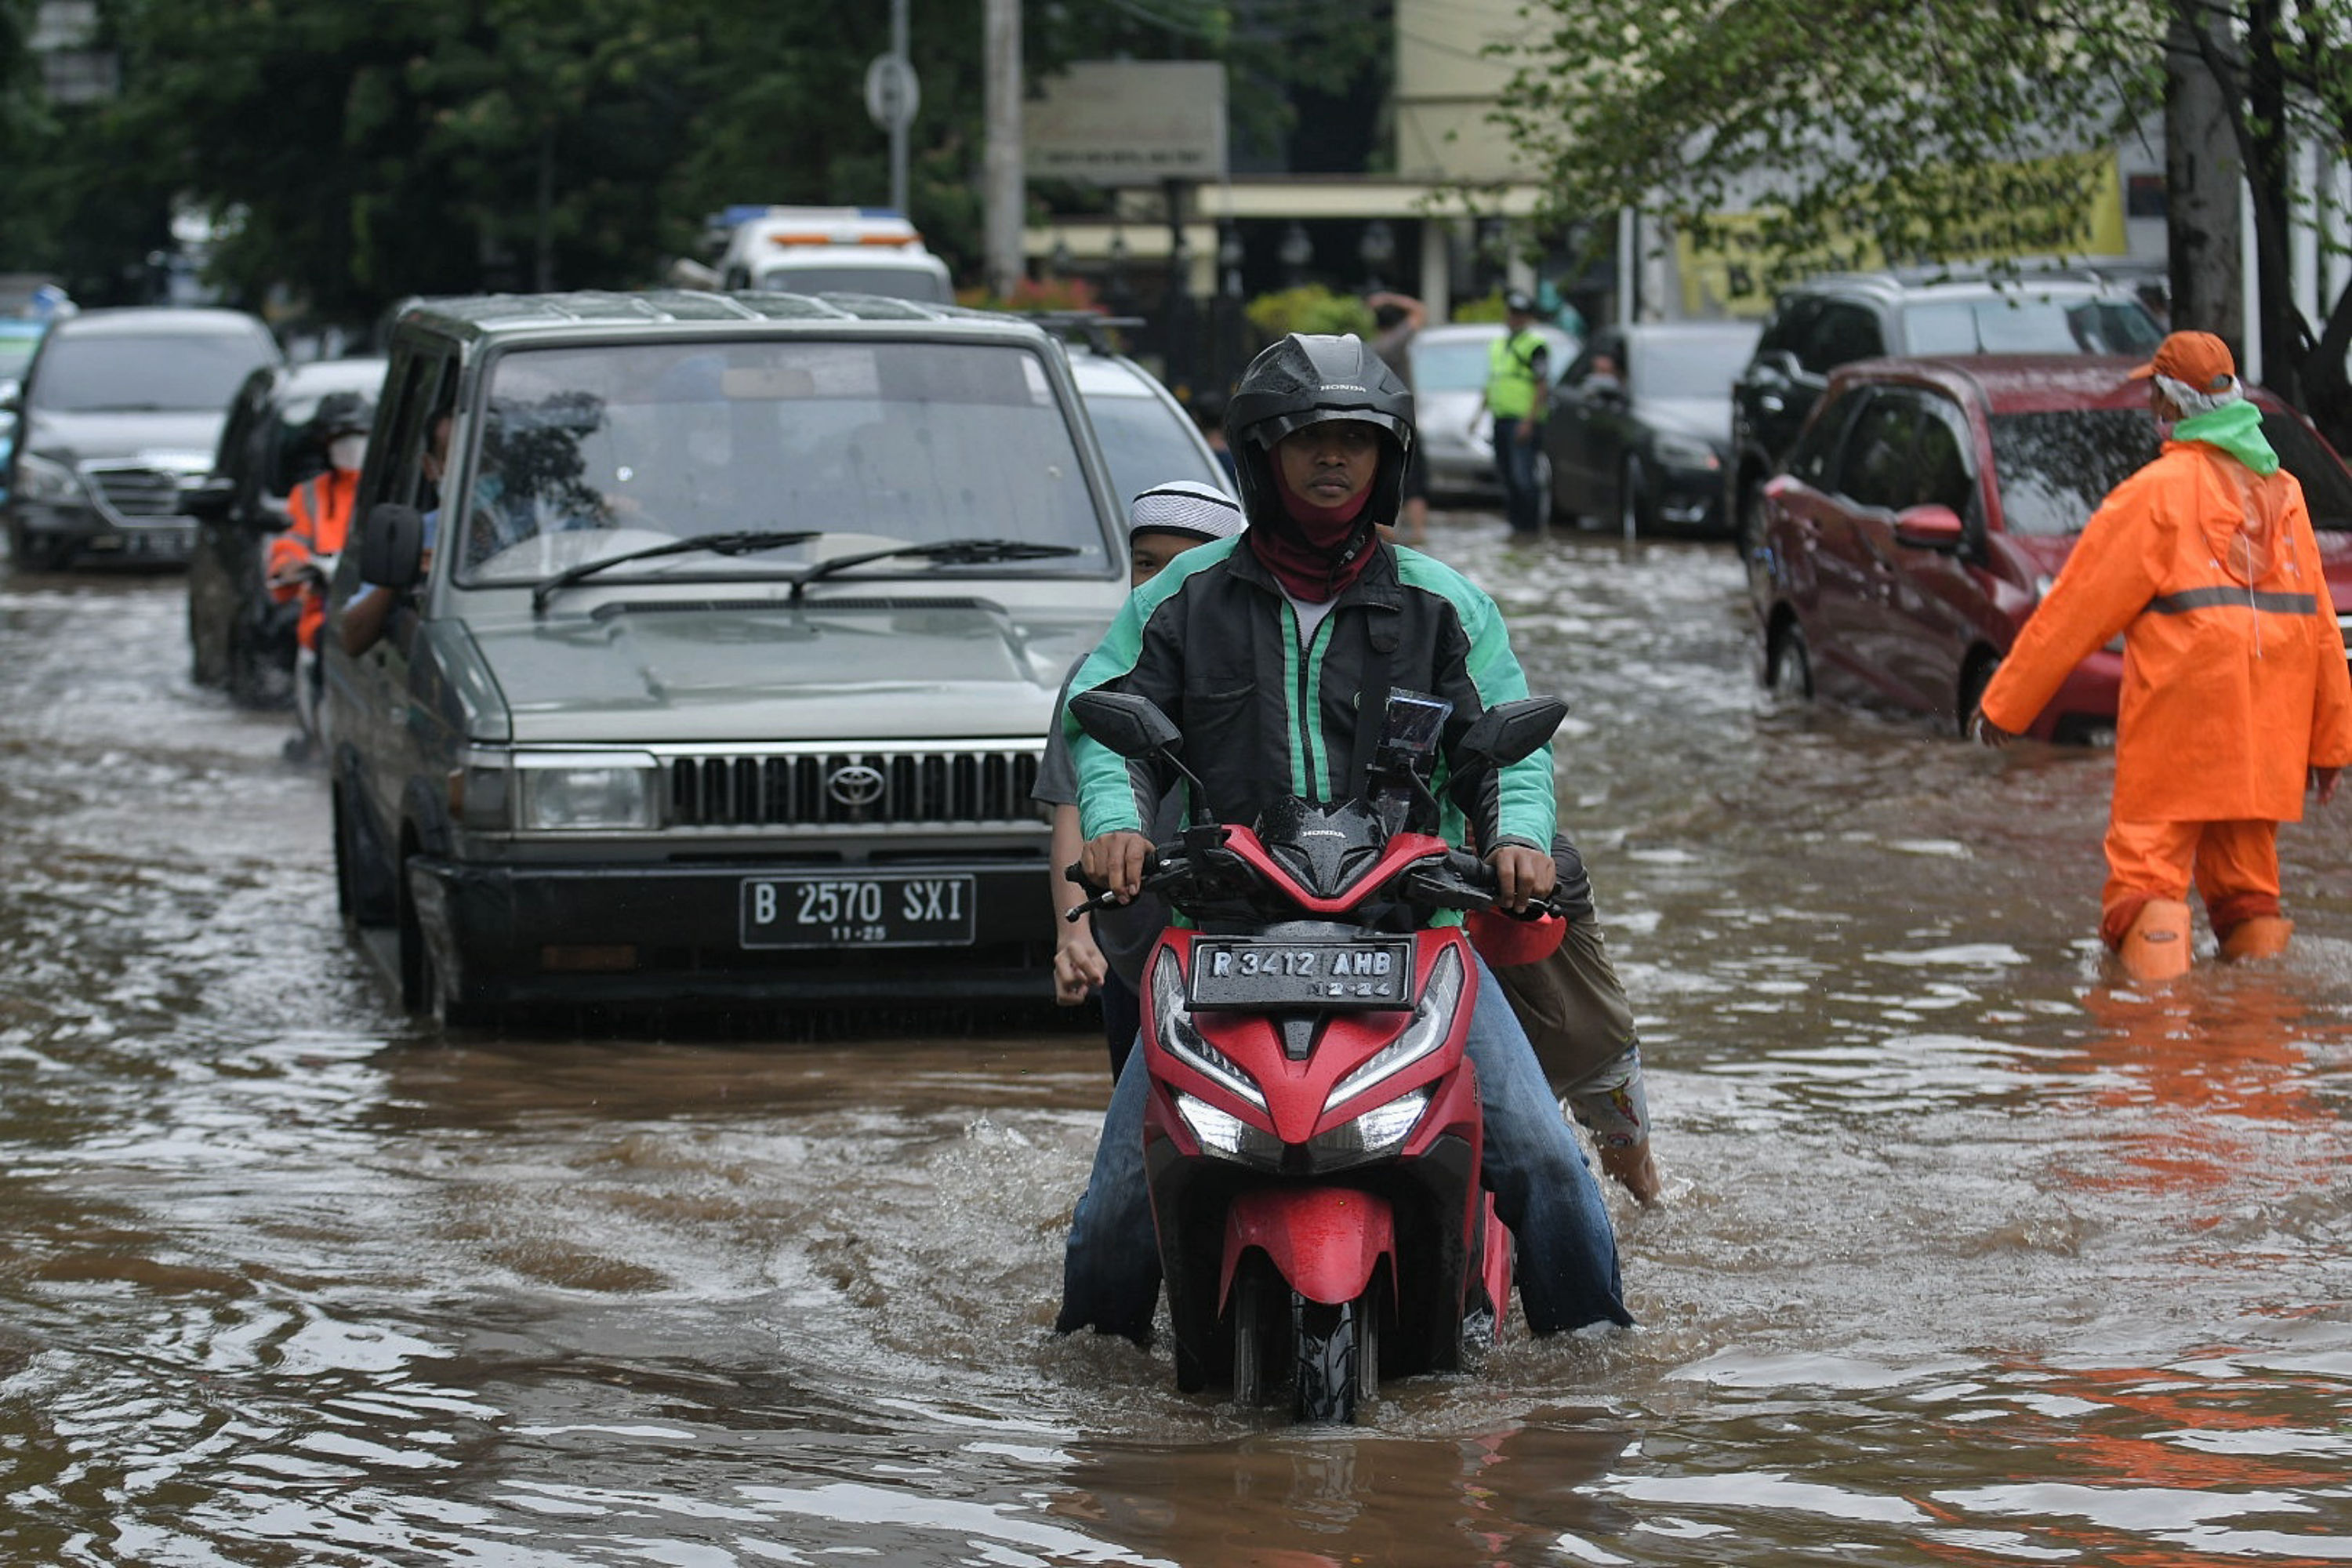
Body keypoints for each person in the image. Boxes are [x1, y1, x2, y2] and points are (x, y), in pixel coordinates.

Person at [1053, 331, 1632, 1343]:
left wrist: (1517, 842)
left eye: (1355, 442)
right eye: (1310, 438)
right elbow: (1110, 730)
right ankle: (1097, 1398)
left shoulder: (1446, 604)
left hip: (1412, 938)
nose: (1333, 458)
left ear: (1388, 461)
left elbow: (1506, 750)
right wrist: (1114, 828)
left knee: (1543, 1157)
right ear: (1262, 455)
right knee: (1113, 1208)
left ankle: (1595, 1376)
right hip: (1222, 942)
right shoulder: (1178, 600)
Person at [1973, 330, 2352, 981]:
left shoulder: (2153, 494)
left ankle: (2155, 1052)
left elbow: (2073, 612)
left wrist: (2003, 706)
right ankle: (2258, 1056)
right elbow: (2318, 629)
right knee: (2247, 893)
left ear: (2166, 402)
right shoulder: (2284, 495)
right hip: (2268, 740)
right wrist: (2329, 745)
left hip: (2182, 735)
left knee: (2146, 885)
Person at [1036, 480, 1247, 1076]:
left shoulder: (1263, 677)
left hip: (1232, 950)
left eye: (1184, 566)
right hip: (1129, 950)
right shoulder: (1097, 676)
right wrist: (1073, 935)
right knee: (1141, 1132)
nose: (1158, 584)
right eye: (1145, 563)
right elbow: (1071, 811)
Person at [266, 391, 371, 760]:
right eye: (339, 438)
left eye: (356, 435)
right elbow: (290, 542)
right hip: (326, 612)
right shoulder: (309, 495)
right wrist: (292, 566)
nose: (349, 446)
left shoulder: (387, 490)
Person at [1479, 289, 1552, 536]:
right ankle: (1515, 526)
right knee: (1507, 476)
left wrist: (1529, 421)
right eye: (1512, 313)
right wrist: (1478, 415)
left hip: (1522, 421)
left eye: (1520, 314)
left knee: (1524, 478)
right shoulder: (1498, 345)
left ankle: (1531, 528)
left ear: (1528, 317)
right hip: (1501, 418)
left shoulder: (1535, 345)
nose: (1515, 318)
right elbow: (1493, 381)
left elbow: (1542, 385)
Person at [1367, 290, 1429, 543]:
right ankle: (1417, 533)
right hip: (1404, 421)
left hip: (1380, 422)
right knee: (1415, 478)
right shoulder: (1395, 341)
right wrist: (1390, 298)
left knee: (1383, 473)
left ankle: (1384, 528)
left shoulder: (1370, 349)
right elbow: (1420, 311)